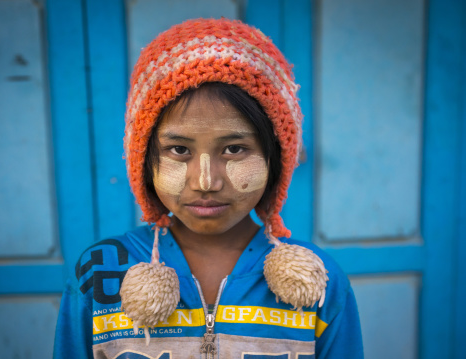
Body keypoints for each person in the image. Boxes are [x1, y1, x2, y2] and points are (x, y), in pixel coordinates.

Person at [54, 18, 363, 359]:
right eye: (179, 150)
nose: (206, 182)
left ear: (276, 159)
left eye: (234, 149)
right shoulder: (101, 273)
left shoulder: (319, 282)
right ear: (144, 158)